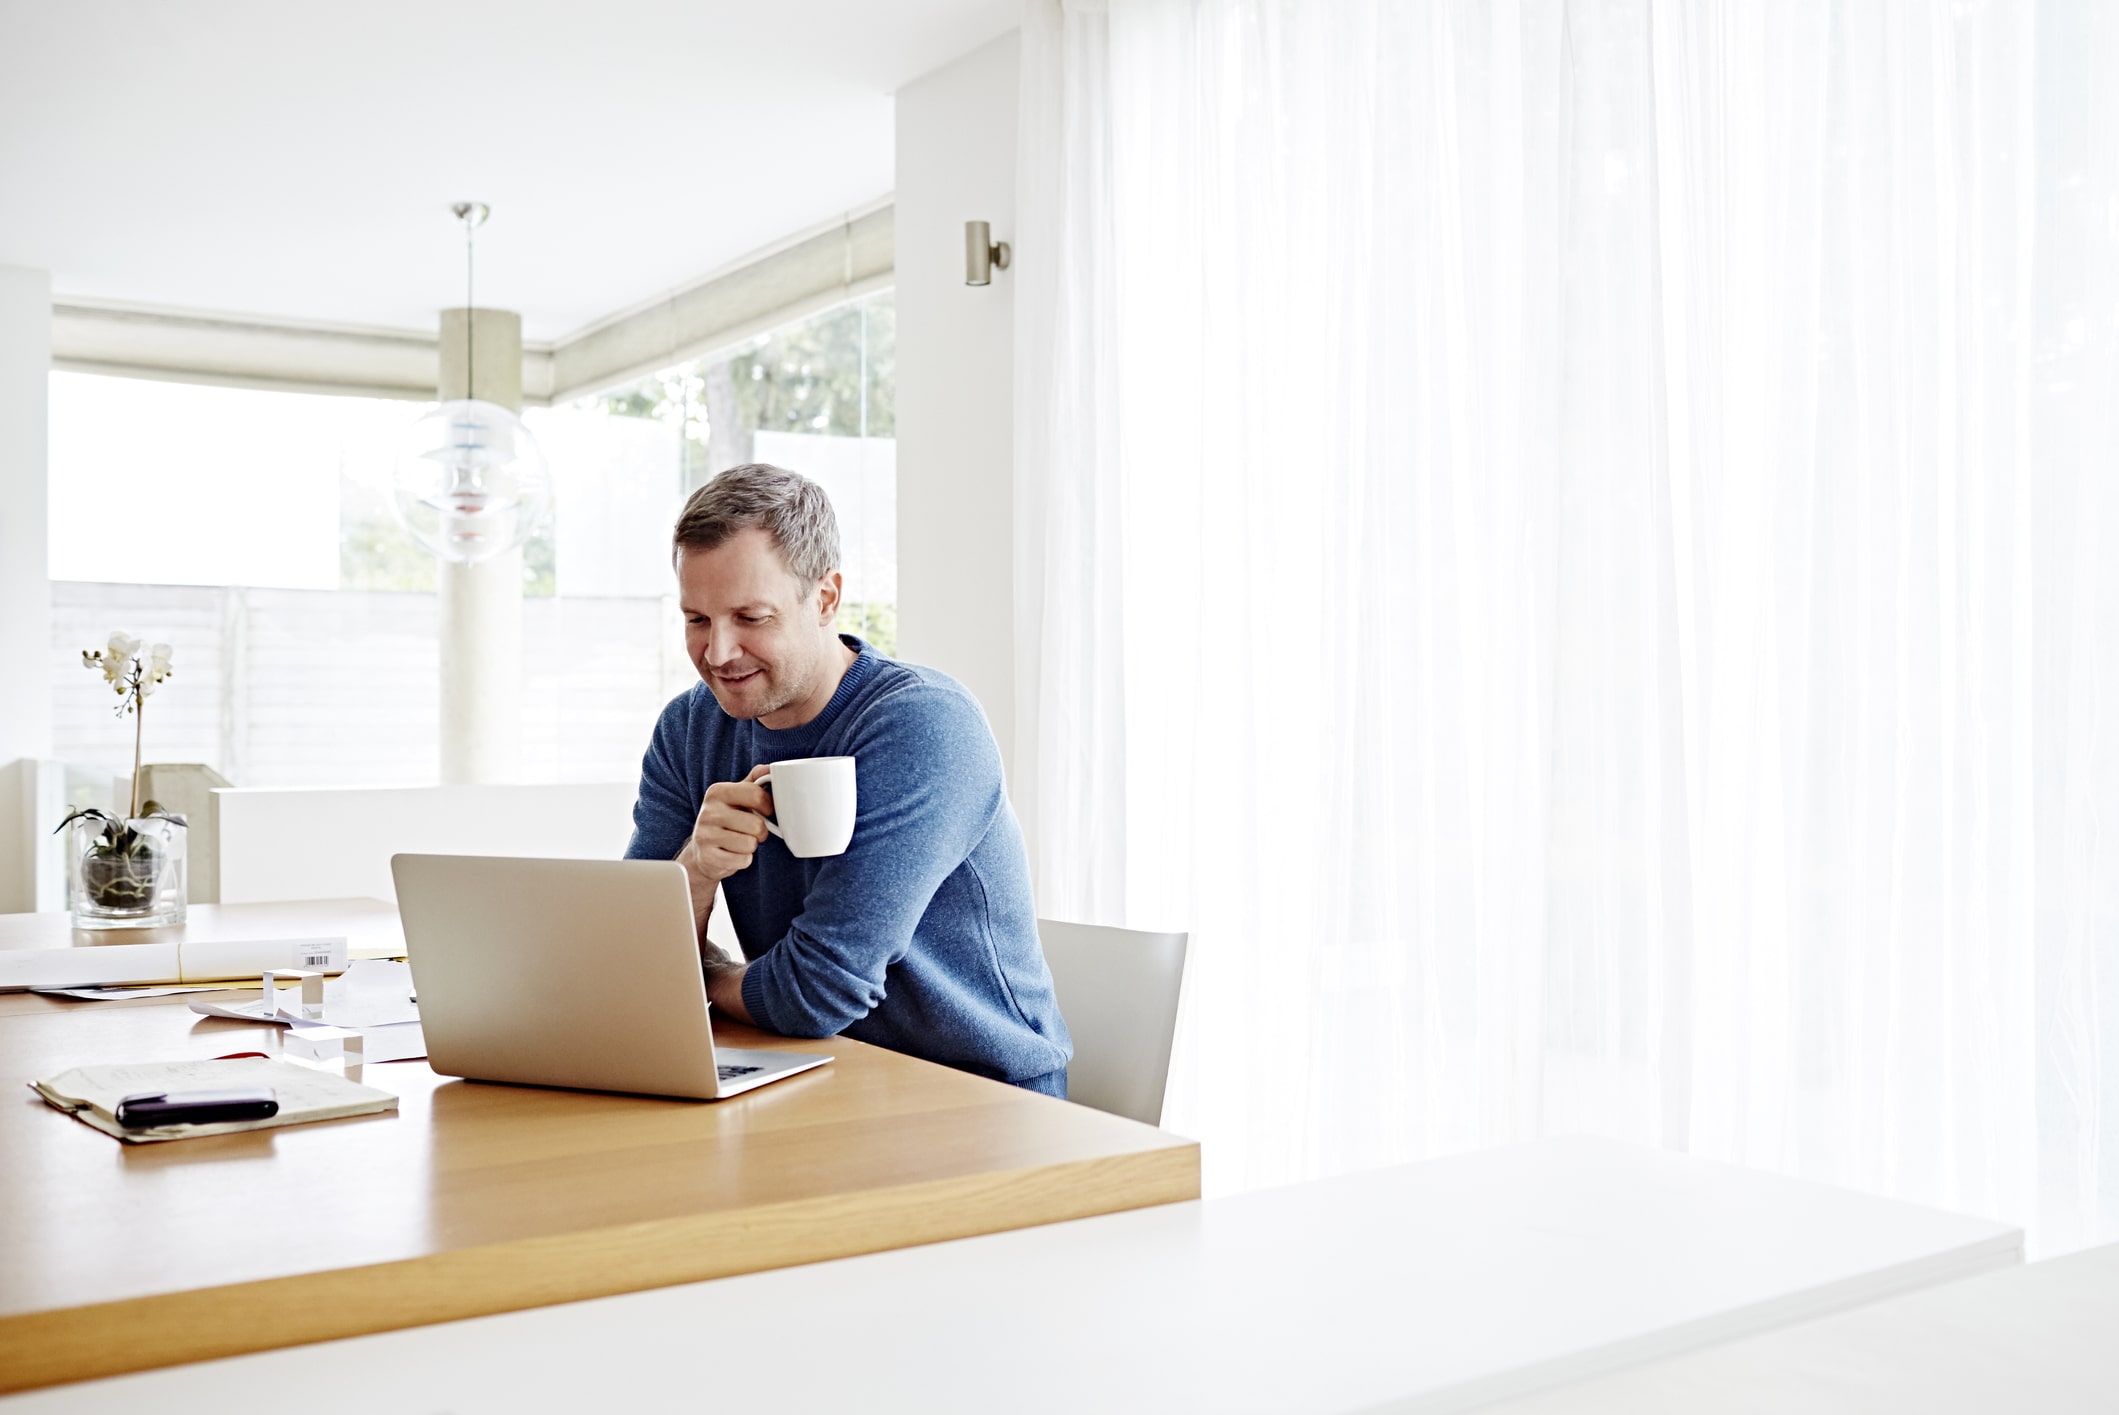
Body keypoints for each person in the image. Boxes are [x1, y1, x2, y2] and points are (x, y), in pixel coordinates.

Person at [625, 463, 1073, 1095]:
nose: (718, 653)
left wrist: (709, 978)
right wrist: (696, 868)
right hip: (817, 1074)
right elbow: (633, 966)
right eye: (697, 619)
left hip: (981, 1095)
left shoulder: (922, 725)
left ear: (826, 599)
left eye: (750, 617)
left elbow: (816, 993)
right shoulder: (690, 729)